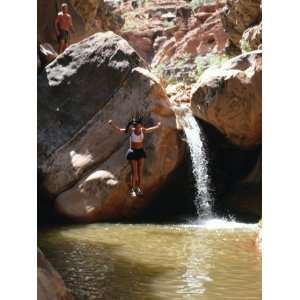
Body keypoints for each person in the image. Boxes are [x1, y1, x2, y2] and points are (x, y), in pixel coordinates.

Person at [108, 116, 161, 197]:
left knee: (140, 173)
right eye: (135, 126)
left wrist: (157, 126)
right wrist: (112, 124)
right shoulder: (131, 130)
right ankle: (132, 189)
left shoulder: (143, 130)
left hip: (140, 152)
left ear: (140, 125)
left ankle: (138, 188)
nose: (136, 127)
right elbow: (119, 130)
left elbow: (150, 129)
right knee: (134, 172)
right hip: (132, 152)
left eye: (138, 125)